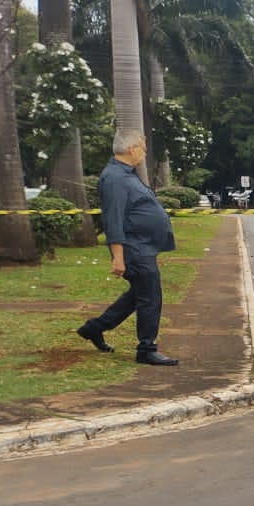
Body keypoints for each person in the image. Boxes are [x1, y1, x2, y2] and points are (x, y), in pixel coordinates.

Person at [76, 129, 179, 366]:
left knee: (138, 296)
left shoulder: (126, 175)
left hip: (142, 246)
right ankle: (146, 349)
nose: (144, 152)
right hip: (134, 248)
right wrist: (118, 257)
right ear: (132, 149)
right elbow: (113, 219)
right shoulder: (114, 178)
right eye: (142, 147)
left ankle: (94, 328)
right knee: (150, 297)